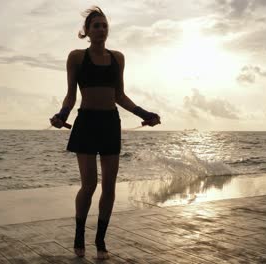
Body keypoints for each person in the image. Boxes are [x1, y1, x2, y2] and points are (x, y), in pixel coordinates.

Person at [50, 6, 161, 260]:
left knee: (109, 186)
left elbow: (119, 95)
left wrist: (145, 114)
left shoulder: (118, 58)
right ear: (87, 31)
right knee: (89, 184)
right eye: (96, 25)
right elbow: (71, 95)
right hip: (86, 122)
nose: (101, 29)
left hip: (110, 123)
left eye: (104, 26)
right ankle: (79, 235)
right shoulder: (76, 57)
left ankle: (100, 240)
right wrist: (61, 116)